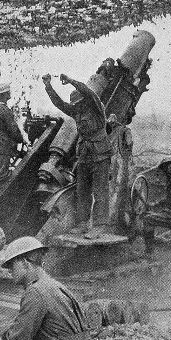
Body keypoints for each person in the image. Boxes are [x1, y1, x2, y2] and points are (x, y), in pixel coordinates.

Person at [42, 73, 112, 239]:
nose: (77, 107)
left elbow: (88, 92)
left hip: (100, 154)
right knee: (82, 190)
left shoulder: (96, 107)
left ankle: (99, 226)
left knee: (100, 191)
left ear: (84, 101)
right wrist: (48, 86)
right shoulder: (76, 111)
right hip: (84, 155)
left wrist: (71, 81)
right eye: (75, 104)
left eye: (79, 103)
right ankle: (82, 223)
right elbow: (59, 104)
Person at [0, 83, 27, 182]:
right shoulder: (3, 109)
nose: (9, 94)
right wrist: (21, 139)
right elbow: (13, 129)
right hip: (1, 149)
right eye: (8, 92)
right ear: (3, 94)